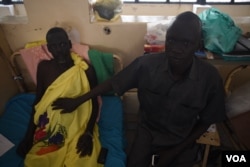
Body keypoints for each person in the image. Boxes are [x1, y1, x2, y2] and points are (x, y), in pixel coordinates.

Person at [52, 11, 226, 167]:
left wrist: (175, 152)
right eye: (172, 40)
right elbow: (113, 83)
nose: (176, 49)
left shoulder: (210, 79)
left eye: (186, 43)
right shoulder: (146, 65)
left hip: (181, 138)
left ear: (198, 44)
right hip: (147, 132)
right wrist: (77, 101)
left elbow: (206, 121)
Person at [17, 27, 103, 167]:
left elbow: (94, 102)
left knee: (81, 157)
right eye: (54, 47)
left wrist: (88, 133)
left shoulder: (85, 70)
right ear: (49, 49)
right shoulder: (44, 68)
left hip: (77, 122)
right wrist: (28, 137)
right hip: (51, 123)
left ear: (69, 44)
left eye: (62, 44)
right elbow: (39, 102)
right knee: (38, 160)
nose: (59, 50)